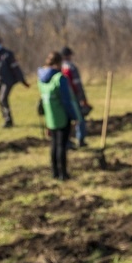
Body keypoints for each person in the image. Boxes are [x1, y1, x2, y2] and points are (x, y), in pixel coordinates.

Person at [37, 51, 80, 181]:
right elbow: (66, 100)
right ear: (59, 62)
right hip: (61, 116)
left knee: (54, 144)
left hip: (50, 116)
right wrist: (73, 116)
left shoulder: (41, 78)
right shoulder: (59, 78)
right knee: (62, 145)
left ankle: (54, 172)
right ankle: (63, 174)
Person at [0, 37, 30, 128]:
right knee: (0, 101)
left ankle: (8, 120)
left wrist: (23, 81)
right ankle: (7, 119)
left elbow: (15, 68)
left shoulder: (8, 54)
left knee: (2, 99)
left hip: (8, 81)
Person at [60, 46, 91, 148]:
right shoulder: (72, 68)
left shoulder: (60, 68)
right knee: (80, 117)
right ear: (68, 56)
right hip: (74, 96)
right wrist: (83, 98)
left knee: (66, 119)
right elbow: (77, 84)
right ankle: (80, 139)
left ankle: (67, 141)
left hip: (63, 96)